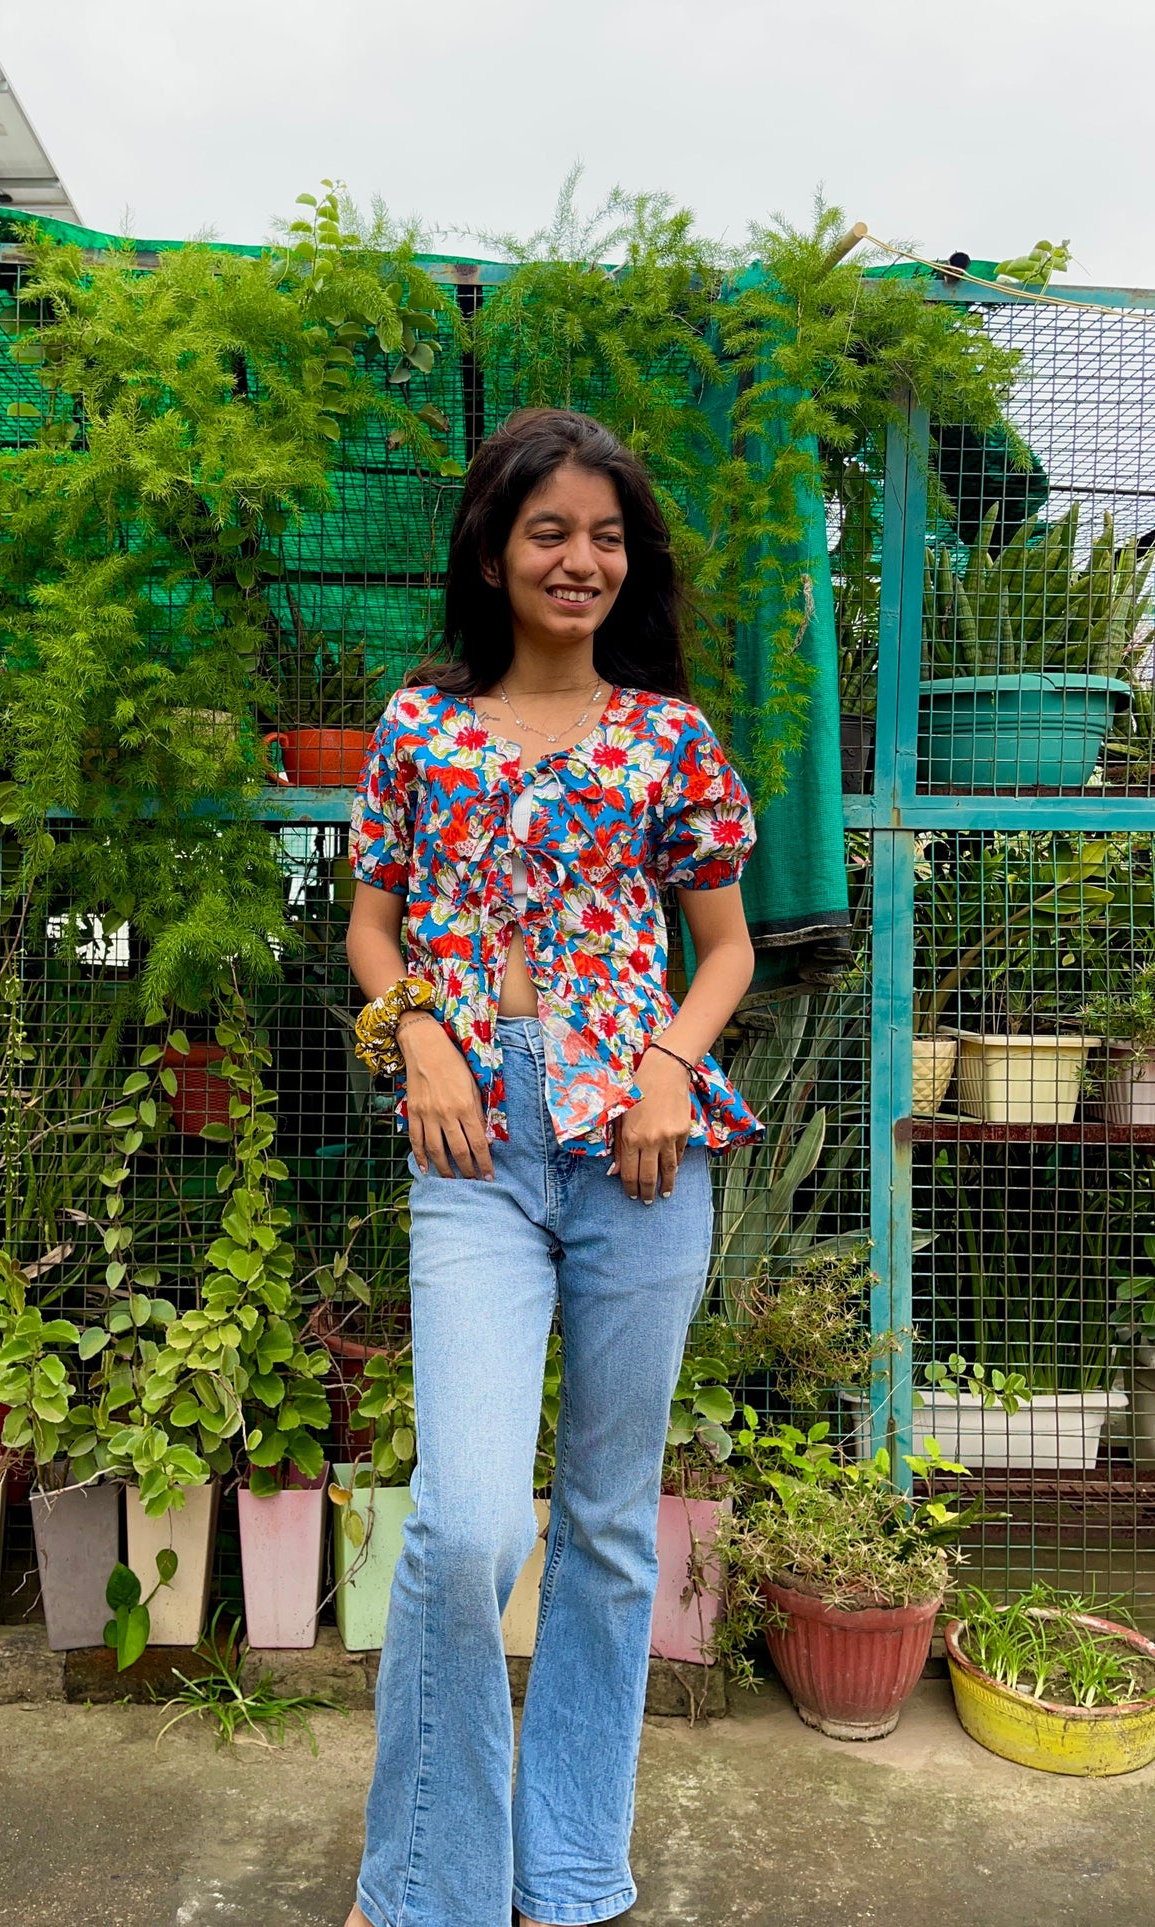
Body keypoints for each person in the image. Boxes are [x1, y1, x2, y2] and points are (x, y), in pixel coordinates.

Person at [341, 408, 761, 1927]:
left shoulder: (670, 739)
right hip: (472, 1139)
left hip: (641, 1146)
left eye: (604, 535)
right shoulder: (417, 727)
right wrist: (422, 1042)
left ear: (626, 561)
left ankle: (570, 1871)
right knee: (466, 1523)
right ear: (492, 548)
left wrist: (661, 1070)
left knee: (601, 1518)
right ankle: (428, 1879)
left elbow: (723, 954)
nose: (580, 559)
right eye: (548, 531)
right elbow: (370, 923)